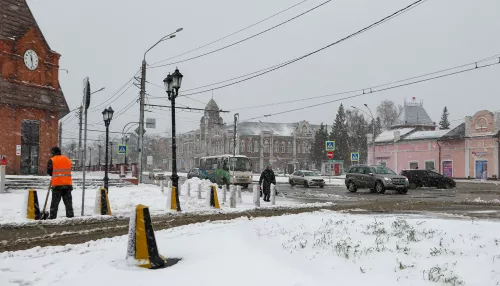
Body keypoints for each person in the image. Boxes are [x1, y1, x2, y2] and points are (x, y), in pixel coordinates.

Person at [47, 146, 74, 219]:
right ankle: (70, 216)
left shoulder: (52, 160)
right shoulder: (67, 159)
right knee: (68, 203)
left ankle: (52, 217)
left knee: (54, 203)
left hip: (57, 185)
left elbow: (49, 172)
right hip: (67, 184)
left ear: (53, 152)